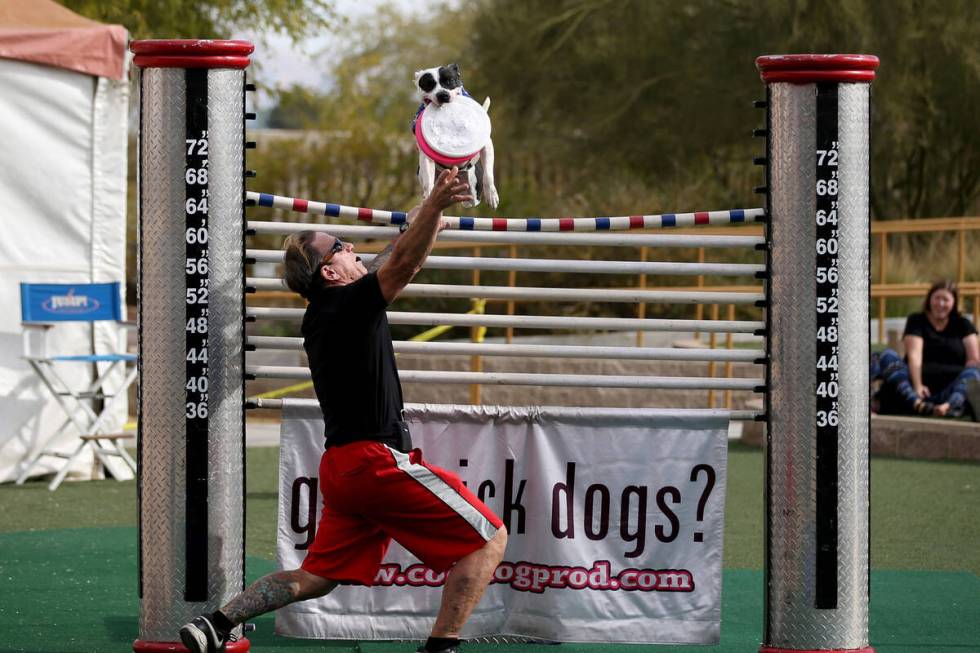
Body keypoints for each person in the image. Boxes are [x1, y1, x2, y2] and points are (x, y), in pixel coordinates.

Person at [180, 167, 508, 653]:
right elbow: (403, 266)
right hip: (374, 464)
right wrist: (435, 208)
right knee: (487, 540)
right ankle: (442, 648)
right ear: (330, 273)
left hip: (343, 470)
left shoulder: (331, 310)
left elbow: (393, 255)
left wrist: (431, 206)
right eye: (341, 246)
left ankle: (216, 623)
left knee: (315, 577)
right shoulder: (348, 306)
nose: (352, 247)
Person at [872, 279, 980, 417]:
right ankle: (917, 403)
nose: (940, 304)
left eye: (945, 299)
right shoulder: (917, 320)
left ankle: (948, 406)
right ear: (930, 300)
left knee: (974, 372)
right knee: (886, 355)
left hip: (949, 390)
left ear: (954, 302)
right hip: (915, 390)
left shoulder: (964, 324)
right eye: (937, 298)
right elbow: (914, 356)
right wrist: (918, 386)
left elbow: (973, 360)